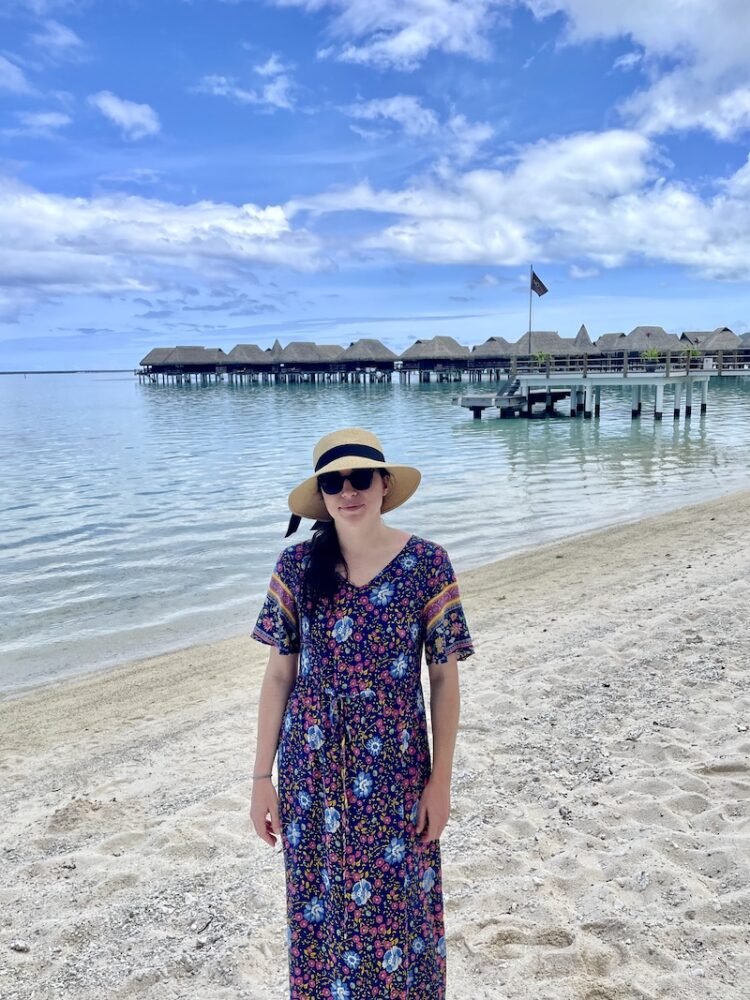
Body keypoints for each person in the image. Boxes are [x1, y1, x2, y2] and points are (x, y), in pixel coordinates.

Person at [250, 428, 473, 999]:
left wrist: (441, 780)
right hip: (312, 774)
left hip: (397, 772)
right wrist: (260, 779)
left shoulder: (427, 563)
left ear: (384, 484)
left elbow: (444, 678)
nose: (348, 492)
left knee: (402, 909)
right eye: (333, 482)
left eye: (360, 479)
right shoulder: (297, 566)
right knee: (320, 913)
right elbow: (279, 675)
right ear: (322, 495)